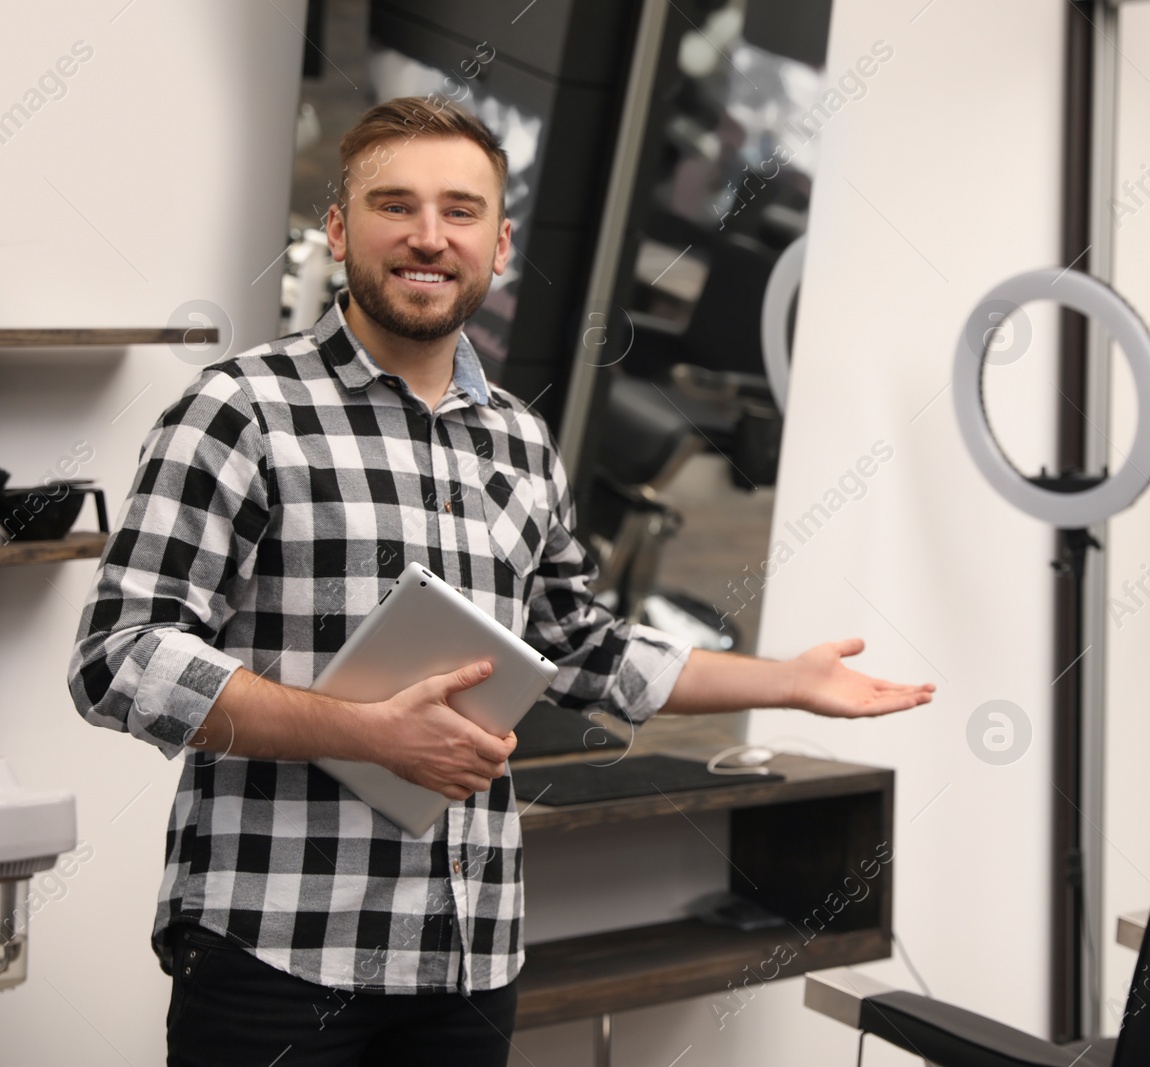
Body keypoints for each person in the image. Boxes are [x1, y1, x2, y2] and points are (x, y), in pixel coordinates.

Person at [67, 97, 933, 1066]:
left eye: (460, 210)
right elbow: (119, 657)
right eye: (396, 206)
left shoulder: (518, 438)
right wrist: (363, 731)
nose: (428, 237)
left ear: (500, 241)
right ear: (343, 229)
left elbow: (581, 647)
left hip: (467, 955)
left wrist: (787, 678)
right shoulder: (239, 408)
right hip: (278, 948)